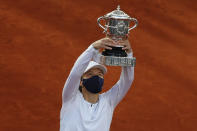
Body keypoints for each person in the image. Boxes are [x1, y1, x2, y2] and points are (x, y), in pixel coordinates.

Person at [60, 37, 135, 131]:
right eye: (90, 74)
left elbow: (128, 80)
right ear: (81, 81)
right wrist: (92, 48)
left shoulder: (108, 101)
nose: (95, 77)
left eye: (100, 74)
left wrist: (128, 54)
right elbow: (75, 74)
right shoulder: (71, 98)